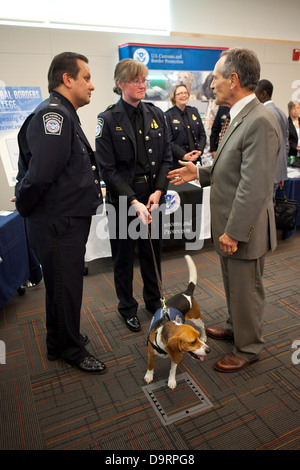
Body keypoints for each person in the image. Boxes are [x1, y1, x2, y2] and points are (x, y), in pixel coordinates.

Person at [168, 48, 281, 373]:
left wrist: (234, 231)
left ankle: (248, 348)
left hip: (243, 228)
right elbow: (231, 166)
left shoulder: (260, 120)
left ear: (233, 80)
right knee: (234, 283)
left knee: (246, 288)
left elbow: (255, 185)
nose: (211, 84)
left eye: (216, 78)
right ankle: (235, 327)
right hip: (232, 224)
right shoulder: (241, 115)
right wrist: (200, 173)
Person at [15, 52, 106, 374]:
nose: (92, 85)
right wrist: (23, 204)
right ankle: (71, 349)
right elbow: (40, 175)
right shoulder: (53, 116)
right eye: (86, 77)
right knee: (67, 287)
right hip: (57, 221)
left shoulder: (64, 114)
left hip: (63, 219)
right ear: (67, 79)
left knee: (61, 285)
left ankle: (58, 341)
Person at [95, 58, 173, 332]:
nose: (143, 85)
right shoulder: (107, 120)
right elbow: (108, 170)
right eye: (136, 81)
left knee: (153, 254)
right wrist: (133, 200)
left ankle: (153, 301)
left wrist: (159, 191)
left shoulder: (156, 114)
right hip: (123, 199)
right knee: (124, 257)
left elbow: (166, 158)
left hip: (152, 196)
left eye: (145, 80)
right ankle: (127, 307)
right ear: (121, 84)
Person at [255, 79, 289, 197]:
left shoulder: (266, 114)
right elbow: (286, 143)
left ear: (263, 94)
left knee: (266, 209)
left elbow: (268, 146)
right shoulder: (281, 113)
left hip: (268, 172)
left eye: (255, 93)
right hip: (277, 171)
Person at [165, 84, 206, 168]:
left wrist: (199, 151)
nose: (183, 95)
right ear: (174, 97)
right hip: (178, 161)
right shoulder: (168, 115)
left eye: (185, 93)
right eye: (180, 93)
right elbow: (168, 141)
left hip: (196, 159)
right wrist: (184, 155)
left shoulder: (194, 111)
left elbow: (202, 135)